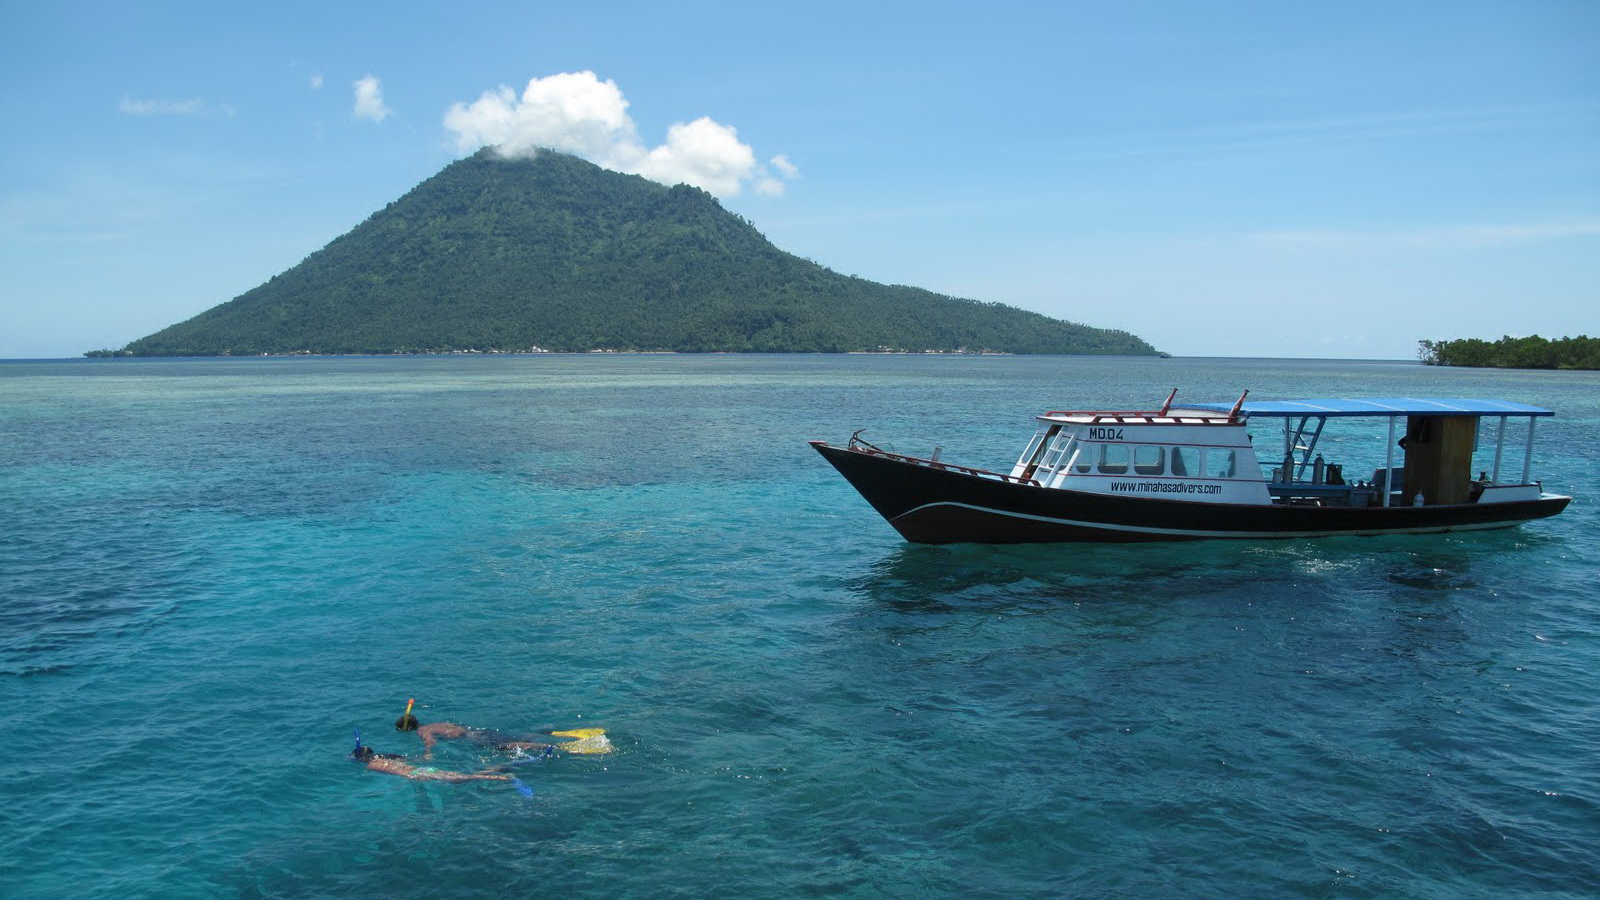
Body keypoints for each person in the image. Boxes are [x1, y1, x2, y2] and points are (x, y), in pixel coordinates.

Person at [395, 716, 557, 760]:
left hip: (472, 738)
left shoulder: (423, 731)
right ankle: (542, 734)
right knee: (516, 738)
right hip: (477, 731)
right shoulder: (434, 723)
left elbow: (430, 741)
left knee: (504, 746)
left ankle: (544, 746)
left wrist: (428, 753)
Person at [350, 743, 512, 783]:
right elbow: (406, 761)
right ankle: (496, 769)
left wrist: (414, 778)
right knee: (459, 778)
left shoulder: (370, 766)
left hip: (417, 774)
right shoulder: (384, 757)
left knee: (459, 779)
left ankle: (501, 777)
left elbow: (394, 772)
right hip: (420, 769)